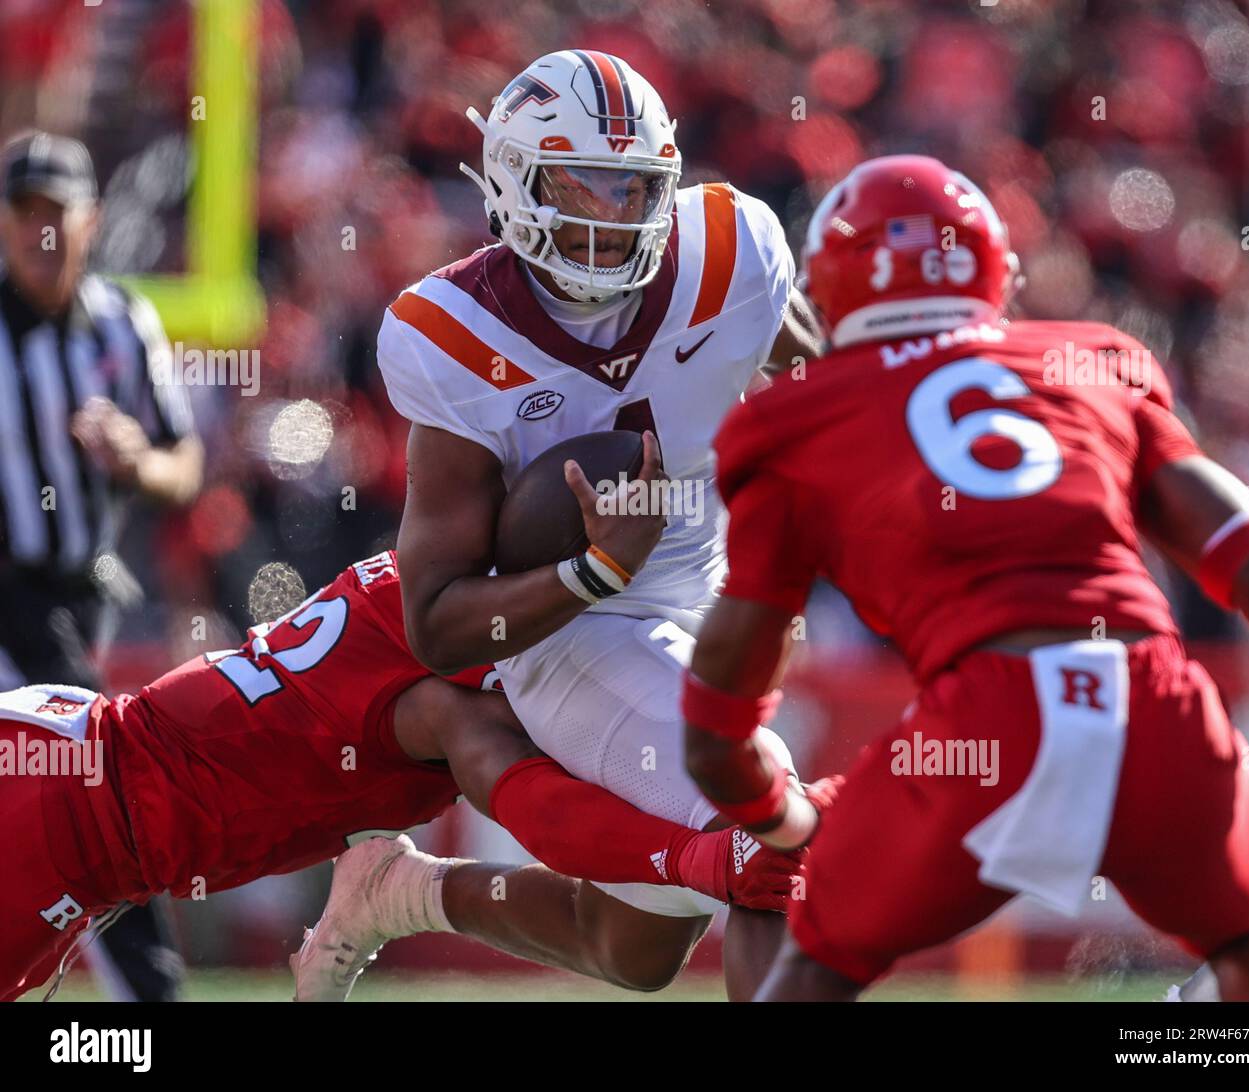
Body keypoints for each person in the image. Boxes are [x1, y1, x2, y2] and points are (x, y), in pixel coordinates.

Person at [681, 155, 1249, 1002]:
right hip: (1151, 700)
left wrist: (776, 818)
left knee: (814, 966)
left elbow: (719, 720)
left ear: (828, 293)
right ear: (993, 270)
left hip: (986, 721)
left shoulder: (793, 420)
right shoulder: (1093, 363)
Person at [300, 49, 825, 1002]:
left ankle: (399, 894)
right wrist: (593, 575)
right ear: (509, 181)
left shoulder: (733, 249)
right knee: (762, 827)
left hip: (707, 589)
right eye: (580, 185)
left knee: (632, 951)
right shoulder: (452, 331)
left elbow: (802, 364)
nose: (607, 217)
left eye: (633, 189)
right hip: (569, 624)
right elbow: (438, 619)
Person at [1, 549, 798, 1002]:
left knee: (639, 950)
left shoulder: (461, 617)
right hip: (68, 806)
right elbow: (510, 783)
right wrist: (700, 861)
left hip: (92, 813)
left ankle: (400, 892)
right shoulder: (446, 678)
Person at [0, 130, 203, 1002]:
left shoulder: (125, 322)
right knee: (94, 790)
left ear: (92, 221)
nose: (43, 234)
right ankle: (149, 995)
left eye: (59, 214)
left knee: (78, 799)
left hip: (83, 595)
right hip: (9, 596)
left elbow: (182, 464)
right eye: (26, 213)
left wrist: (132, 462)